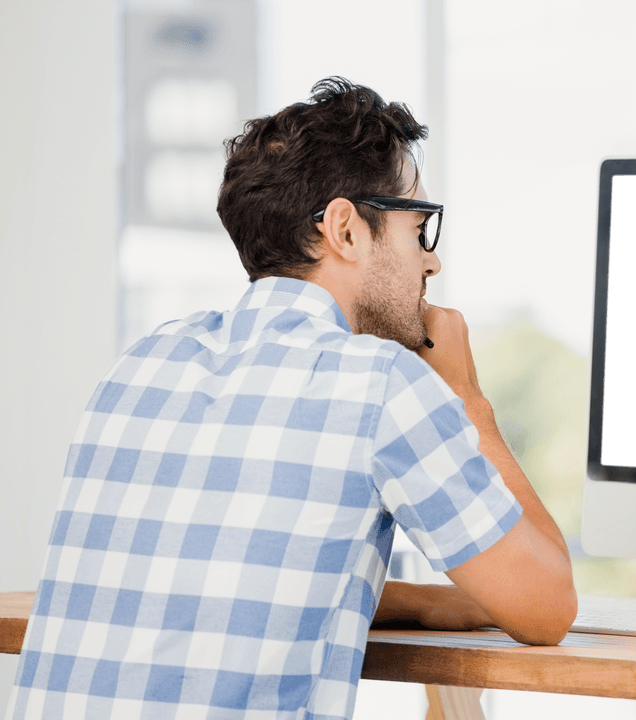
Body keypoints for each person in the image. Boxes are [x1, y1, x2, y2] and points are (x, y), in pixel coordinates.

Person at [7, 77, 577, 720]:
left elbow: (223, 570)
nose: (431, 263)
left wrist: (428, 601)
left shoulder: (140, 366)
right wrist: (470, 400)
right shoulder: (379, 383)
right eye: (419, 229)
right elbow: (548, 607)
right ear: (345, 229)